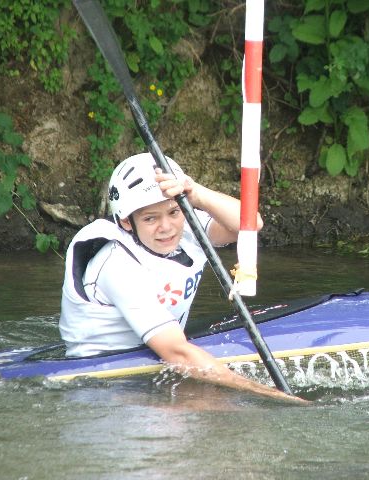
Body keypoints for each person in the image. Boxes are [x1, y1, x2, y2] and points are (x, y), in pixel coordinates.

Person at [59, 152, 302, 403]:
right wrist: (266, 395)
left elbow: (250, 224)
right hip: (106, 382)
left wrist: (196, 193)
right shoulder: (116, 264)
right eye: (150, 218)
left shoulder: (185, 228)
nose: (167, 227)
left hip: (157, 359)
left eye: (173, 212)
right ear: (126, 221)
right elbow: (178, 354)